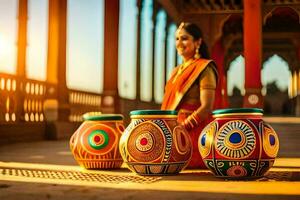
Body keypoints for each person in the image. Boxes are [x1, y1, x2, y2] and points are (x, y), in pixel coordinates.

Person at [161, 22, 218, 169]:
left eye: (184, 38)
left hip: (192, 131)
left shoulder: (205, 68)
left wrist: (182, 128)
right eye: (177, 39)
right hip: (172, 129)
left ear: (198, 42)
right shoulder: (175, 71)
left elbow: (206, 107)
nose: (179, 43)